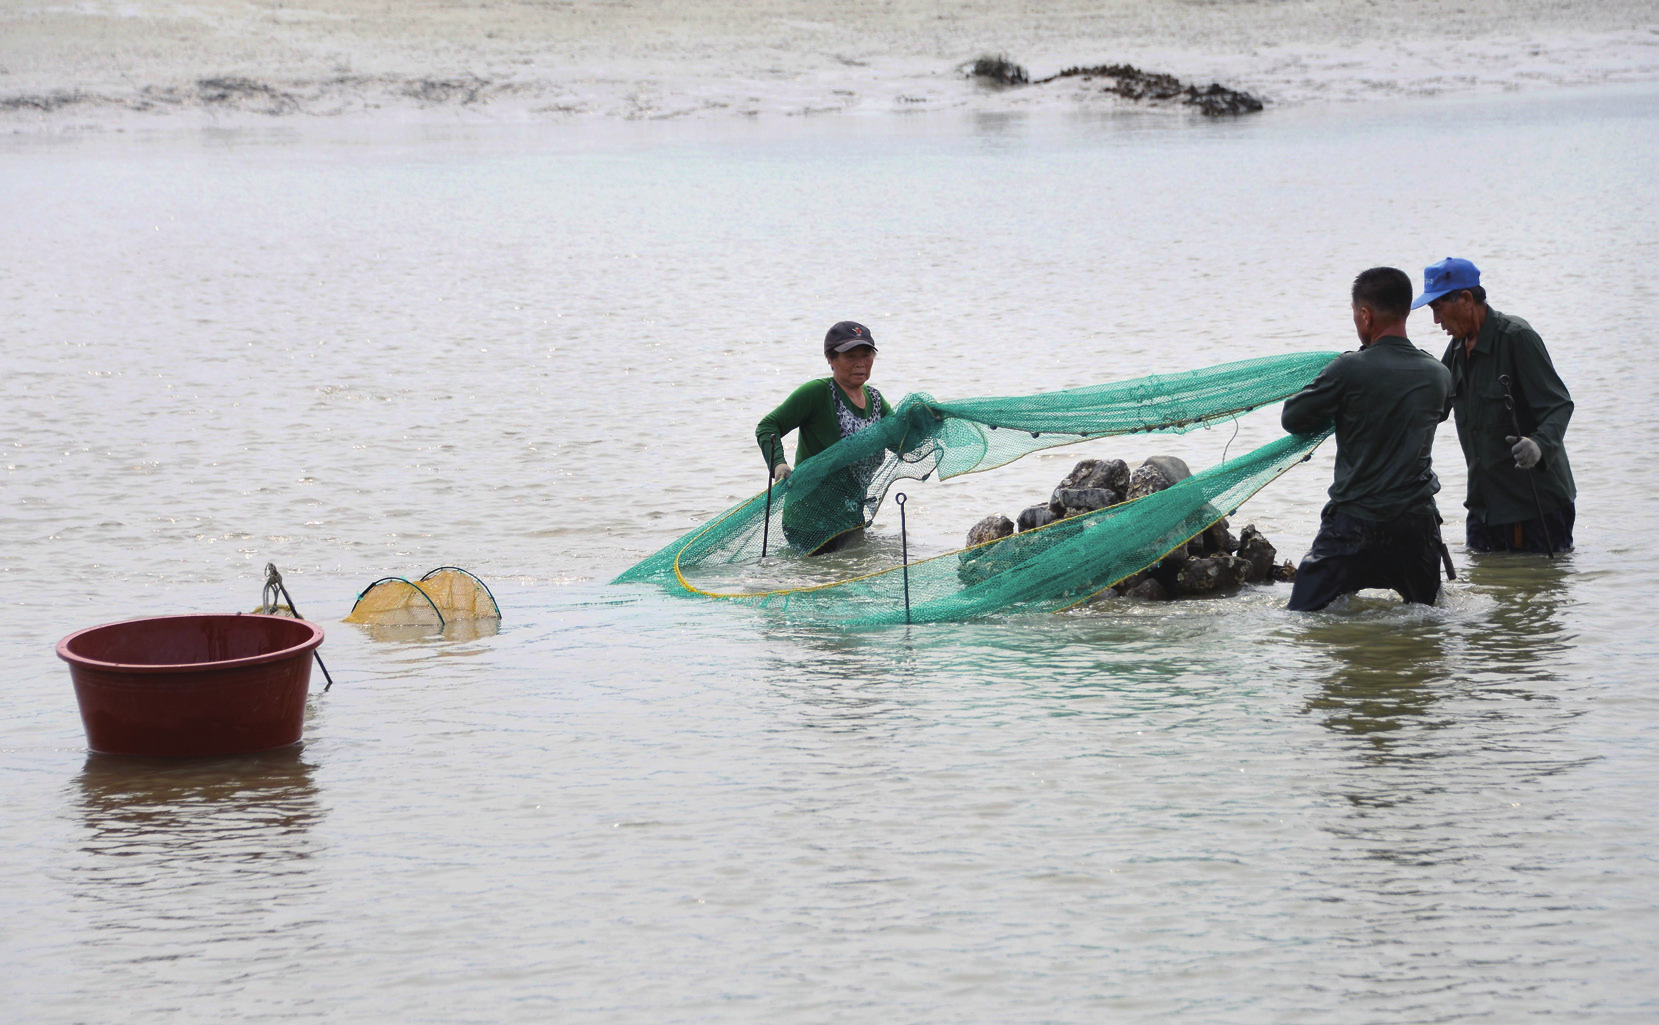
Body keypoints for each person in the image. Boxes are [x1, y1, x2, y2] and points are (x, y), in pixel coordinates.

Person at [1282, 267, 1455, 611]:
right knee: (1426, 618)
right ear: (1406, 310)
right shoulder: (1439, 374)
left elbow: (1293, 418)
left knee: (1302, 616)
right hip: (1414, 527)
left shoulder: (1347, 369)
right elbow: (1441, 412)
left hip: (1353, 527)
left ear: (1365, 314)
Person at [1413, 257, 1576, 553]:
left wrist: (1538, 445)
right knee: (1487, 587)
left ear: (1465, 299)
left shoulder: (1517, 338)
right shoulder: (1457, 349)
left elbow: (1559, 406)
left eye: (1437, 308)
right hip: (1483, 508)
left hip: (1535, 506)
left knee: (1536, 590)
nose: (1436, 321)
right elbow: (1432, 408)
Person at [755, 321, 895, 554]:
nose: (860, 363)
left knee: (854, 575)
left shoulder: (876, 400)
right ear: (831, 359)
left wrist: (924, 420)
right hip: (809, 521)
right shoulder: (817, 393)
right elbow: (768, 426)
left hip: (850, 517)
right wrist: (778, 464)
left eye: (867, 354)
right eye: (850, 356)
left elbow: (900, 439)